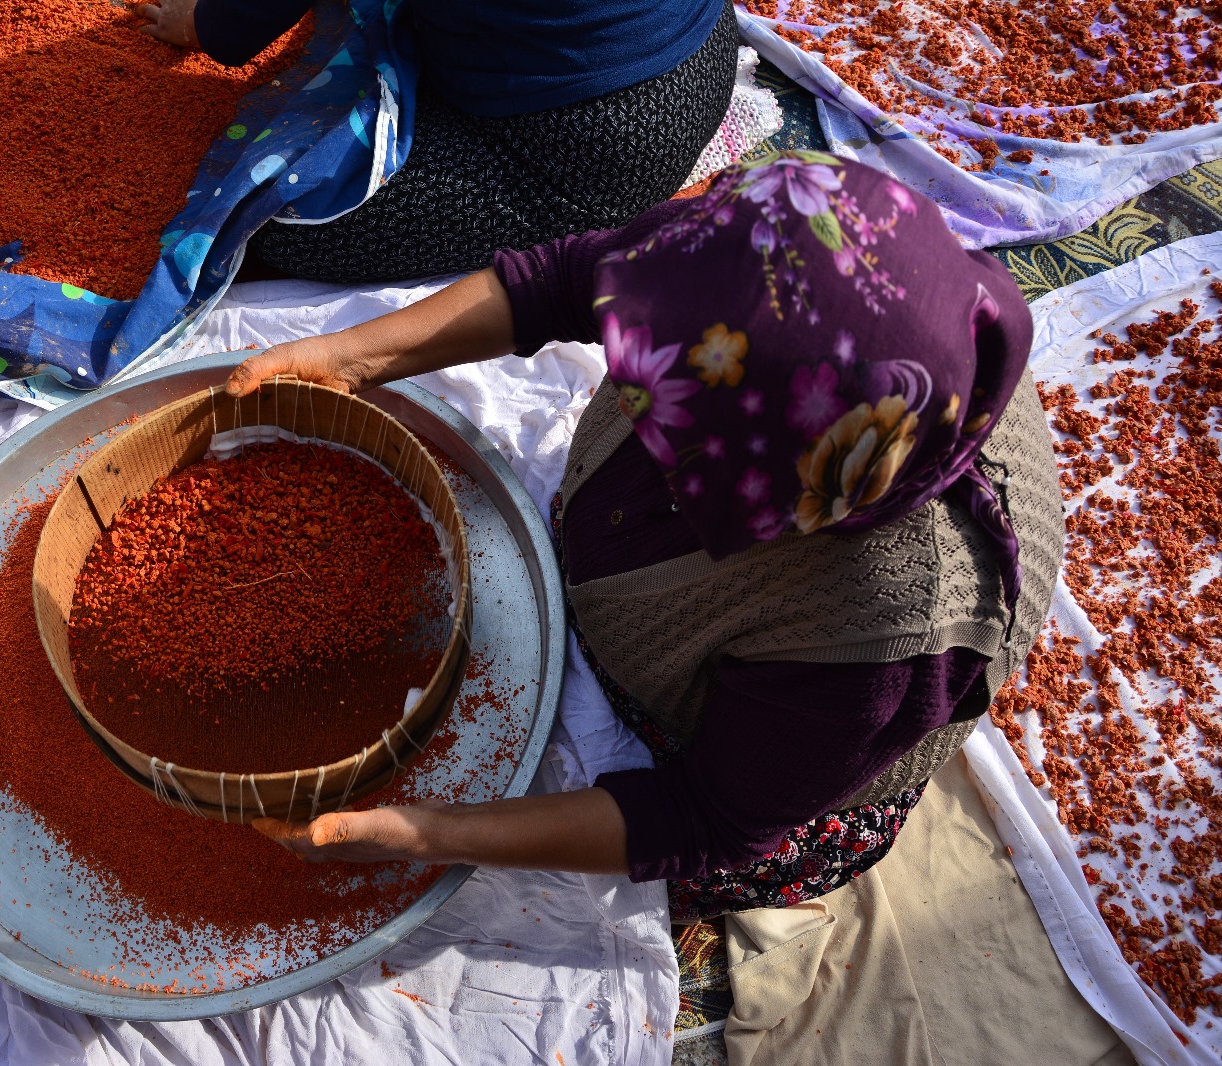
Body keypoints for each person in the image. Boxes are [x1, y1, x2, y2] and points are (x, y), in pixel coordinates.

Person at [230, 154, 1065, 922]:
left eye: (674, 432)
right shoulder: (776, 244)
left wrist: (432, 833)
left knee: (749, 850)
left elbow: (706, 820)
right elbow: (566, 278)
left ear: (785, 491)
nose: (627, 399)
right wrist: (350, 359)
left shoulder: (884, 631)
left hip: (762, 786)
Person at [135, 0, 739, 284]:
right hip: (707, 50)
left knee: (259, 224)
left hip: (589, 143)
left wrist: (199, 22)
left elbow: (237, 28)